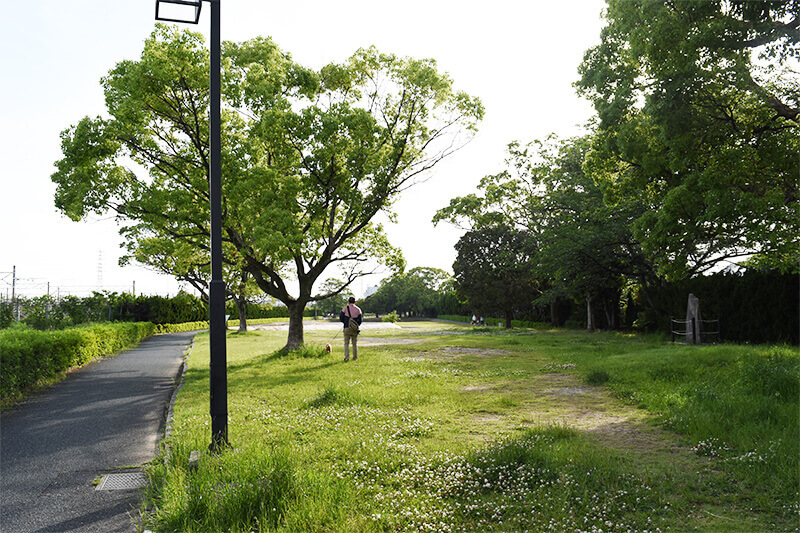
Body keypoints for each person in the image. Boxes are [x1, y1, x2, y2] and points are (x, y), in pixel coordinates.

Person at [339, 297, 363, 362]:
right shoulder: (358, 309)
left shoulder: (345, 308)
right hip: (354, 329)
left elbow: (341, 318)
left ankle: (347, 357)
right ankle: (355, 357)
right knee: (354, 343)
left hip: (347, 327)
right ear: (355, 302)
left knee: (346, 343)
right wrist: (355, 325)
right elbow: (360, 320)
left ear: (348, 302)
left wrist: (346, 322)